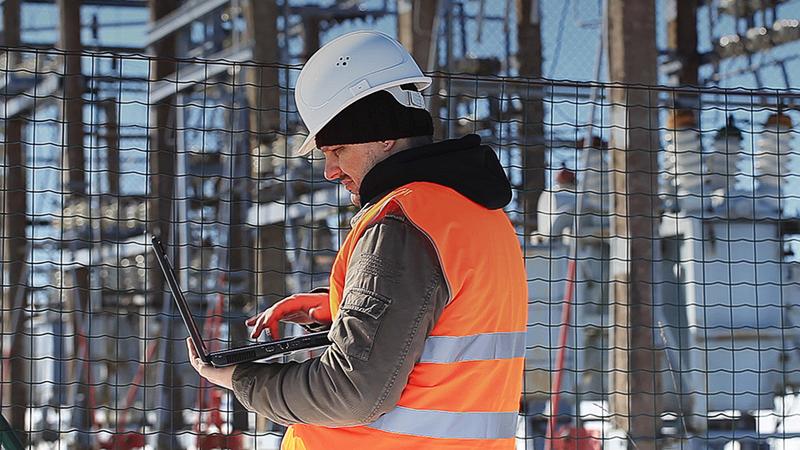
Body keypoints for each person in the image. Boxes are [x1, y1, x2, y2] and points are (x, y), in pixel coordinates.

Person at [186, 30, 528, 450]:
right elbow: (440, 326)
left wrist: (241, 379)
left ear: (385, 134)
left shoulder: (403, 222)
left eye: (339, 149)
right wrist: (333, 308)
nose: (330, 170)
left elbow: (350, 390)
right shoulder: (479, 214)